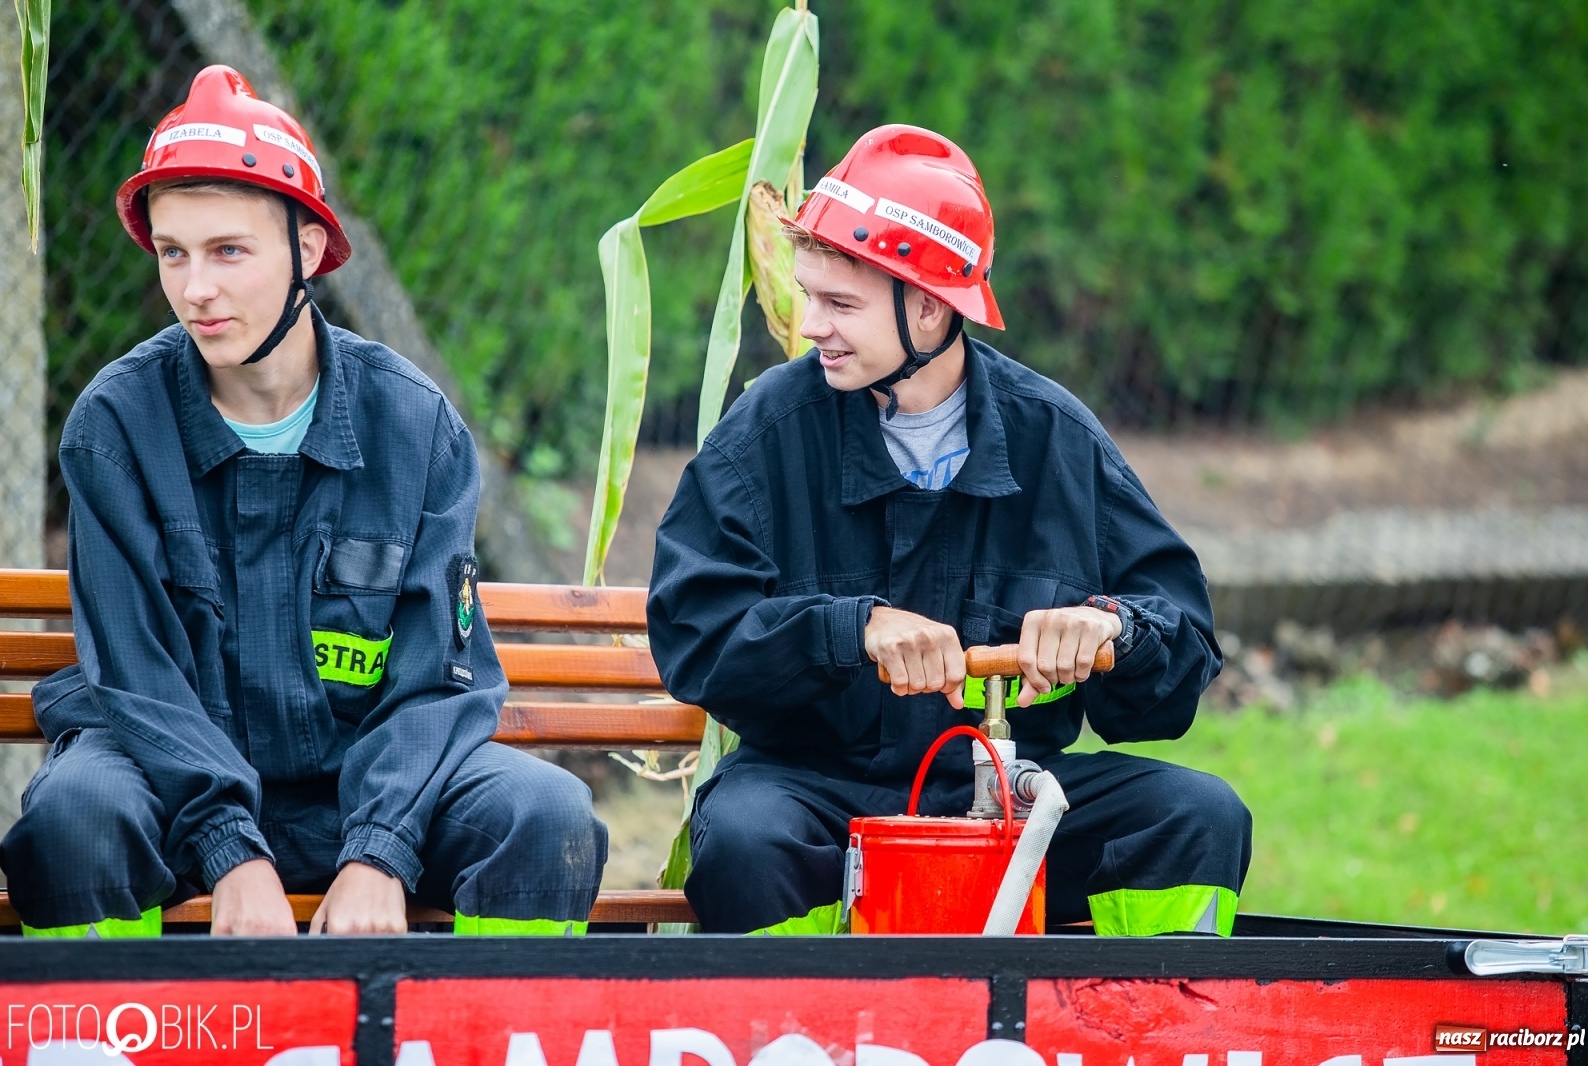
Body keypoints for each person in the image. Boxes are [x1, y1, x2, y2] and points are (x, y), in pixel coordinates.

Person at [0, 66, 606, 938]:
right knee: (73, 822)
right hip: (170, 783)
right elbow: (137, 678)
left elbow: (438, 678)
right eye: (174, 252)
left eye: (229, 251)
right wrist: (230, 848)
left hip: (365, 791)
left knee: (546, 820)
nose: (194, 289)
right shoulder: (117, 426)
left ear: (309, 250)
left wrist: (382, 849)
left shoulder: (414, 427)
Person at [647, 125, 1250, 936]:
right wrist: (849, 631)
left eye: (840, 304)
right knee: (747, 840)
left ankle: (1141, 1033)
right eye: (809, 294)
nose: (810, 323)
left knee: (1196, 816)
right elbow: (695, 635)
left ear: (929, 306)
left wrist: (1114, 628)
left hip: (1015, 803)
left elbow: (1180, 652)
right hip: (817, 797)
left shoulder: (1057, 438)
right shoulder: (765, 435)